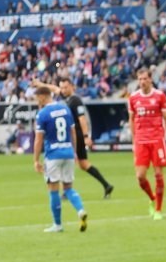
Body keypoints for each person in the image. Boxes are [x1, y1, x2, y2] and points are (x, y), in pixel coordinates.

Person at [32, 78, 114, 198]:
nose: (63, 90)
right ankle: (106, 185)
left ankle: (67, 191)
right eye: (62, 87)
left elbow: (82, 119)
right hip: (70, 135)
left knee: (73, 162)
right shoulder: (66, 98)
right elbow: (54, 88)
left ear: (72, 87)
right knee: (82, 164)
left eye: (66, 87)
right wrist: (40, 84)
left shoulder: (75, 100)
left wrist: (86, 136)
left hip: (76, 135)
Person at [33, 86, 88, 233]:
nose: (37, 101)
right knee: (69, 187)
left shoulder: (43, 114)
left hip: (53, 155)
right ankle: (81, 210)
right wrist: (74, 152)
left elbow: (38, 140)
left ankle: (57, 225)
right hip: (68, 152)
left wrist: (36, 160)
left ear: (43, 96)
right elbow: (73, 132)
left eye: (37, 98)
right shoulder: (65, 109)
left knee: (53, 190)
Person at [128, 69, 166, 220]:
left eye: (145, 79)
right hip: (141, 141)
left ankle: (158, 210)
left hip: (157, 140)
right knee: (140, 176)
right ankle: (152, 198)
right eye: (140, 79)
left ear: (150, 80)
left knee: (158, 174)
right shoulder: (133, 98)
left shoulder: (160, 96)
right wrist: (134, 140)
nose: (142, 82)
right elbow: (132, 119)